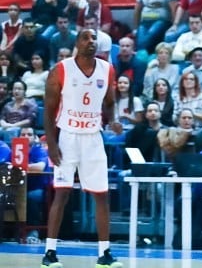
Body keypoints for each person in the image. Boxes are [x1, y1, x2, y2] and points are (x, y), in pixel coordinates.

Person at [43, 28, 123, 268]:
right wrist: (52, 144)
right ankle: (50, 253)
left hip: (93, 137)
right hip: (67, 136)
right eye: (86, 38)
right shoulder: (60, 70)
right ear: (77, 42)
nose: (91, 42)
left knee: (101, 195)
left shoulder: (107, 69)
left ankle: (104, 254)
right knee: (62, 193)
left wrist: (113, 119)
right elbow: (48, 112)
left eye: (94, 39)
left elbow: (109, 102)